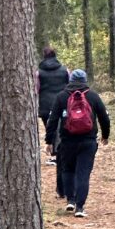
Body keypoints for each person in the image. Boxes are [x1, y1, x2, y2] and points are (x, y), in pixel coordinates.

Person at [44, 69, 110, 219]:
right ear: (85, 80)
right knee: (83, 174)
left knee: (67, 170)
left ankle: (70, 200)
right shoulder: (93, 96)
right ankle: (80, 207)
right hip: (88, 141)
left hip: (67, 141)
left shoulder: (61, 97)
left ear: (70, 80)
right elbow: (104, 118)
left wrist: (49, 141)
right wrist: (105, 136)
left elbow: (52, 120)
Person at [37, 47, 69, 197]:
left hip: (45, 105)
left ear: (44, 56)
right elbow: (69, 86)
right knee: (59, 128)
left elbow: (36, 89)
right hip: (62, 104)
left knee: (50, 126)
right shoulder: (64, 70)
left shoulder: (39, 72)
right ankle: (57, 151)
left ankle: (55, 153)